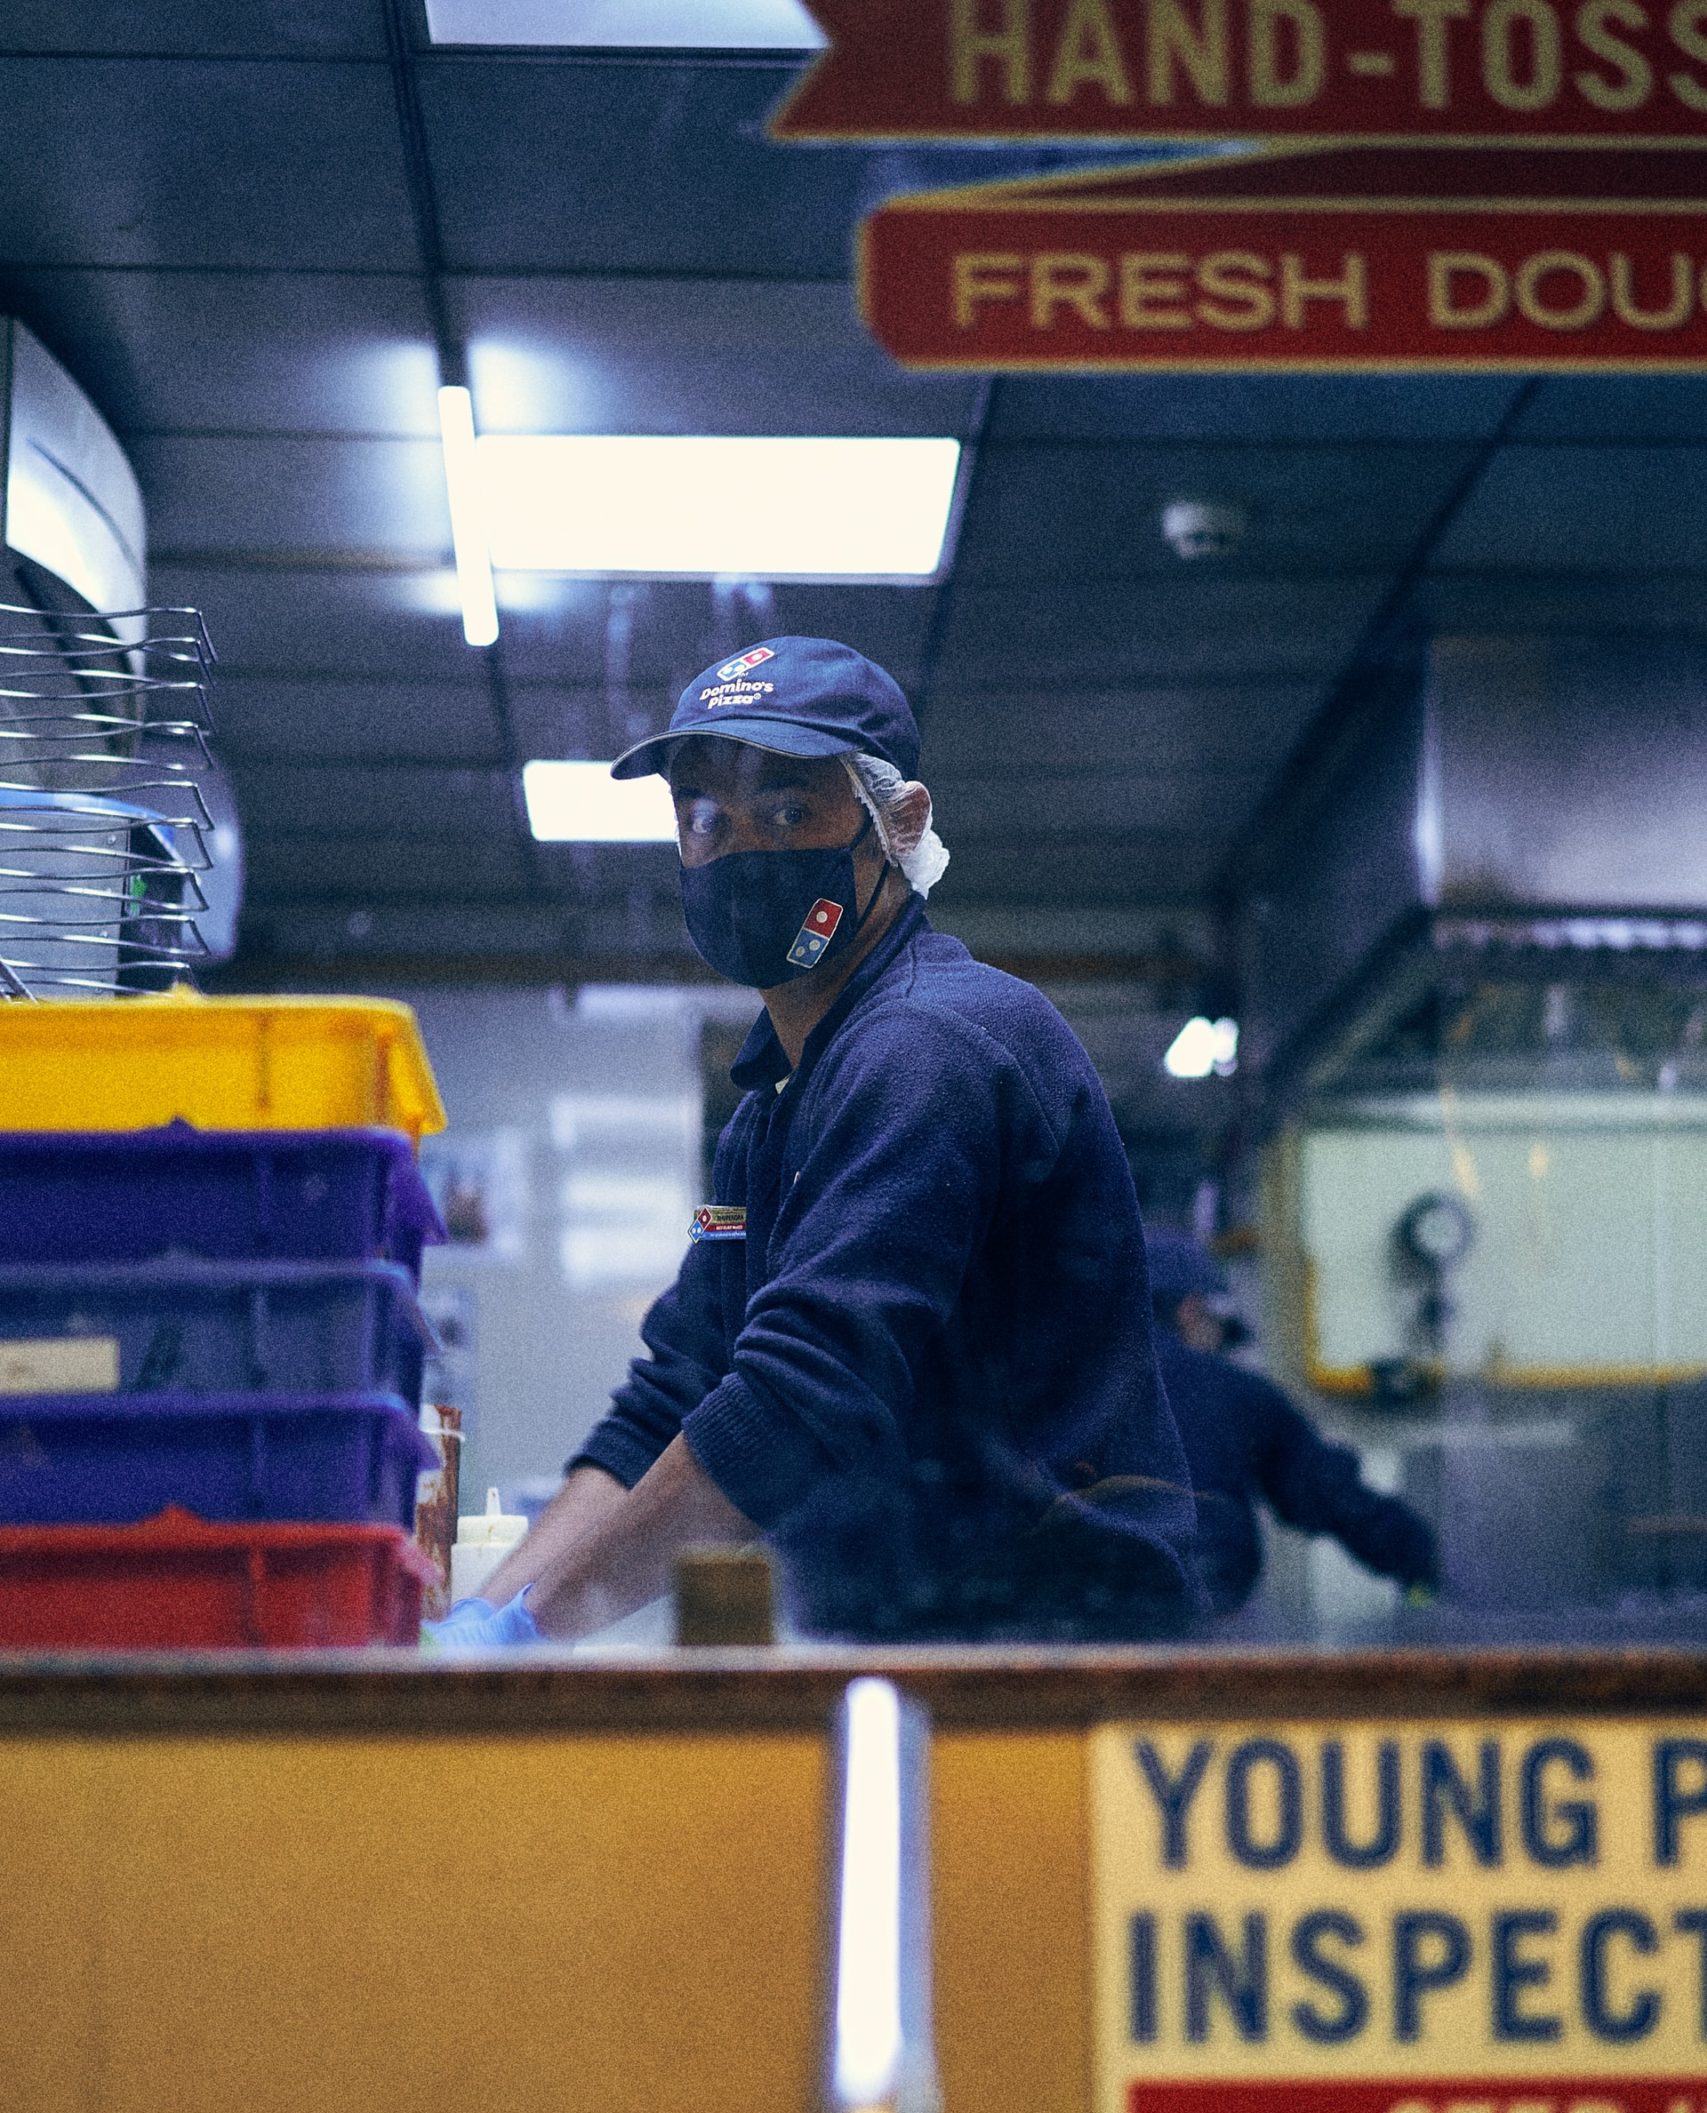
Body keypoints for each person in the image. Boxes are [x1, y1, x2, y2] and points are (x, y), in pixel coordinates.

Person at [434, 635, 1201, 1646]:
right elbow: (678, 1385)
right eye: (705, 815)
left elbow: (799, 1393)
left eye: (790, 809)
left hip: (1053, 1649)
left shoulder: (931, 1045)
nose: (740, 847)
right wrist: (482, 1618)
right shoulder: (769, 1114)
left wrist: (539, 1625)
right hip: (910, 1636)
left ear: (900, 823)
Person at [1146, 1230, 1436, 1620]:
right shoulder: (1232, 1391)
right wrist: (1418, 1561)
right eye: (1221, 1332)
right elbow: (1327, 1493)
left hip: (1060, 1630)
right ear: (1191, 1311)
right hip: (1198, 1625)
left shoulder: (1057, 1391)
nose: (1219, 1349)